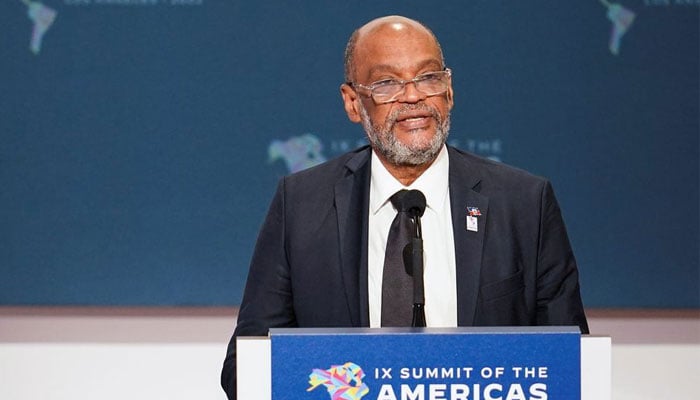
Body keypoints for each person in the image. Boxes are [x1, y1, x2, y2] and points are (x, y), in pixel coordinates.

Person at [221, 15, 588, 399]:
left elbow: (571, 364)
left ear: (449, 89)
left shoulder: (524, 204)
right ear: (352, 102)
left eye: (428, 78)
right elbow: (245, 368)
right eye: (386, 83)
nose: (413, 97)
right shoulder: (300, 204)